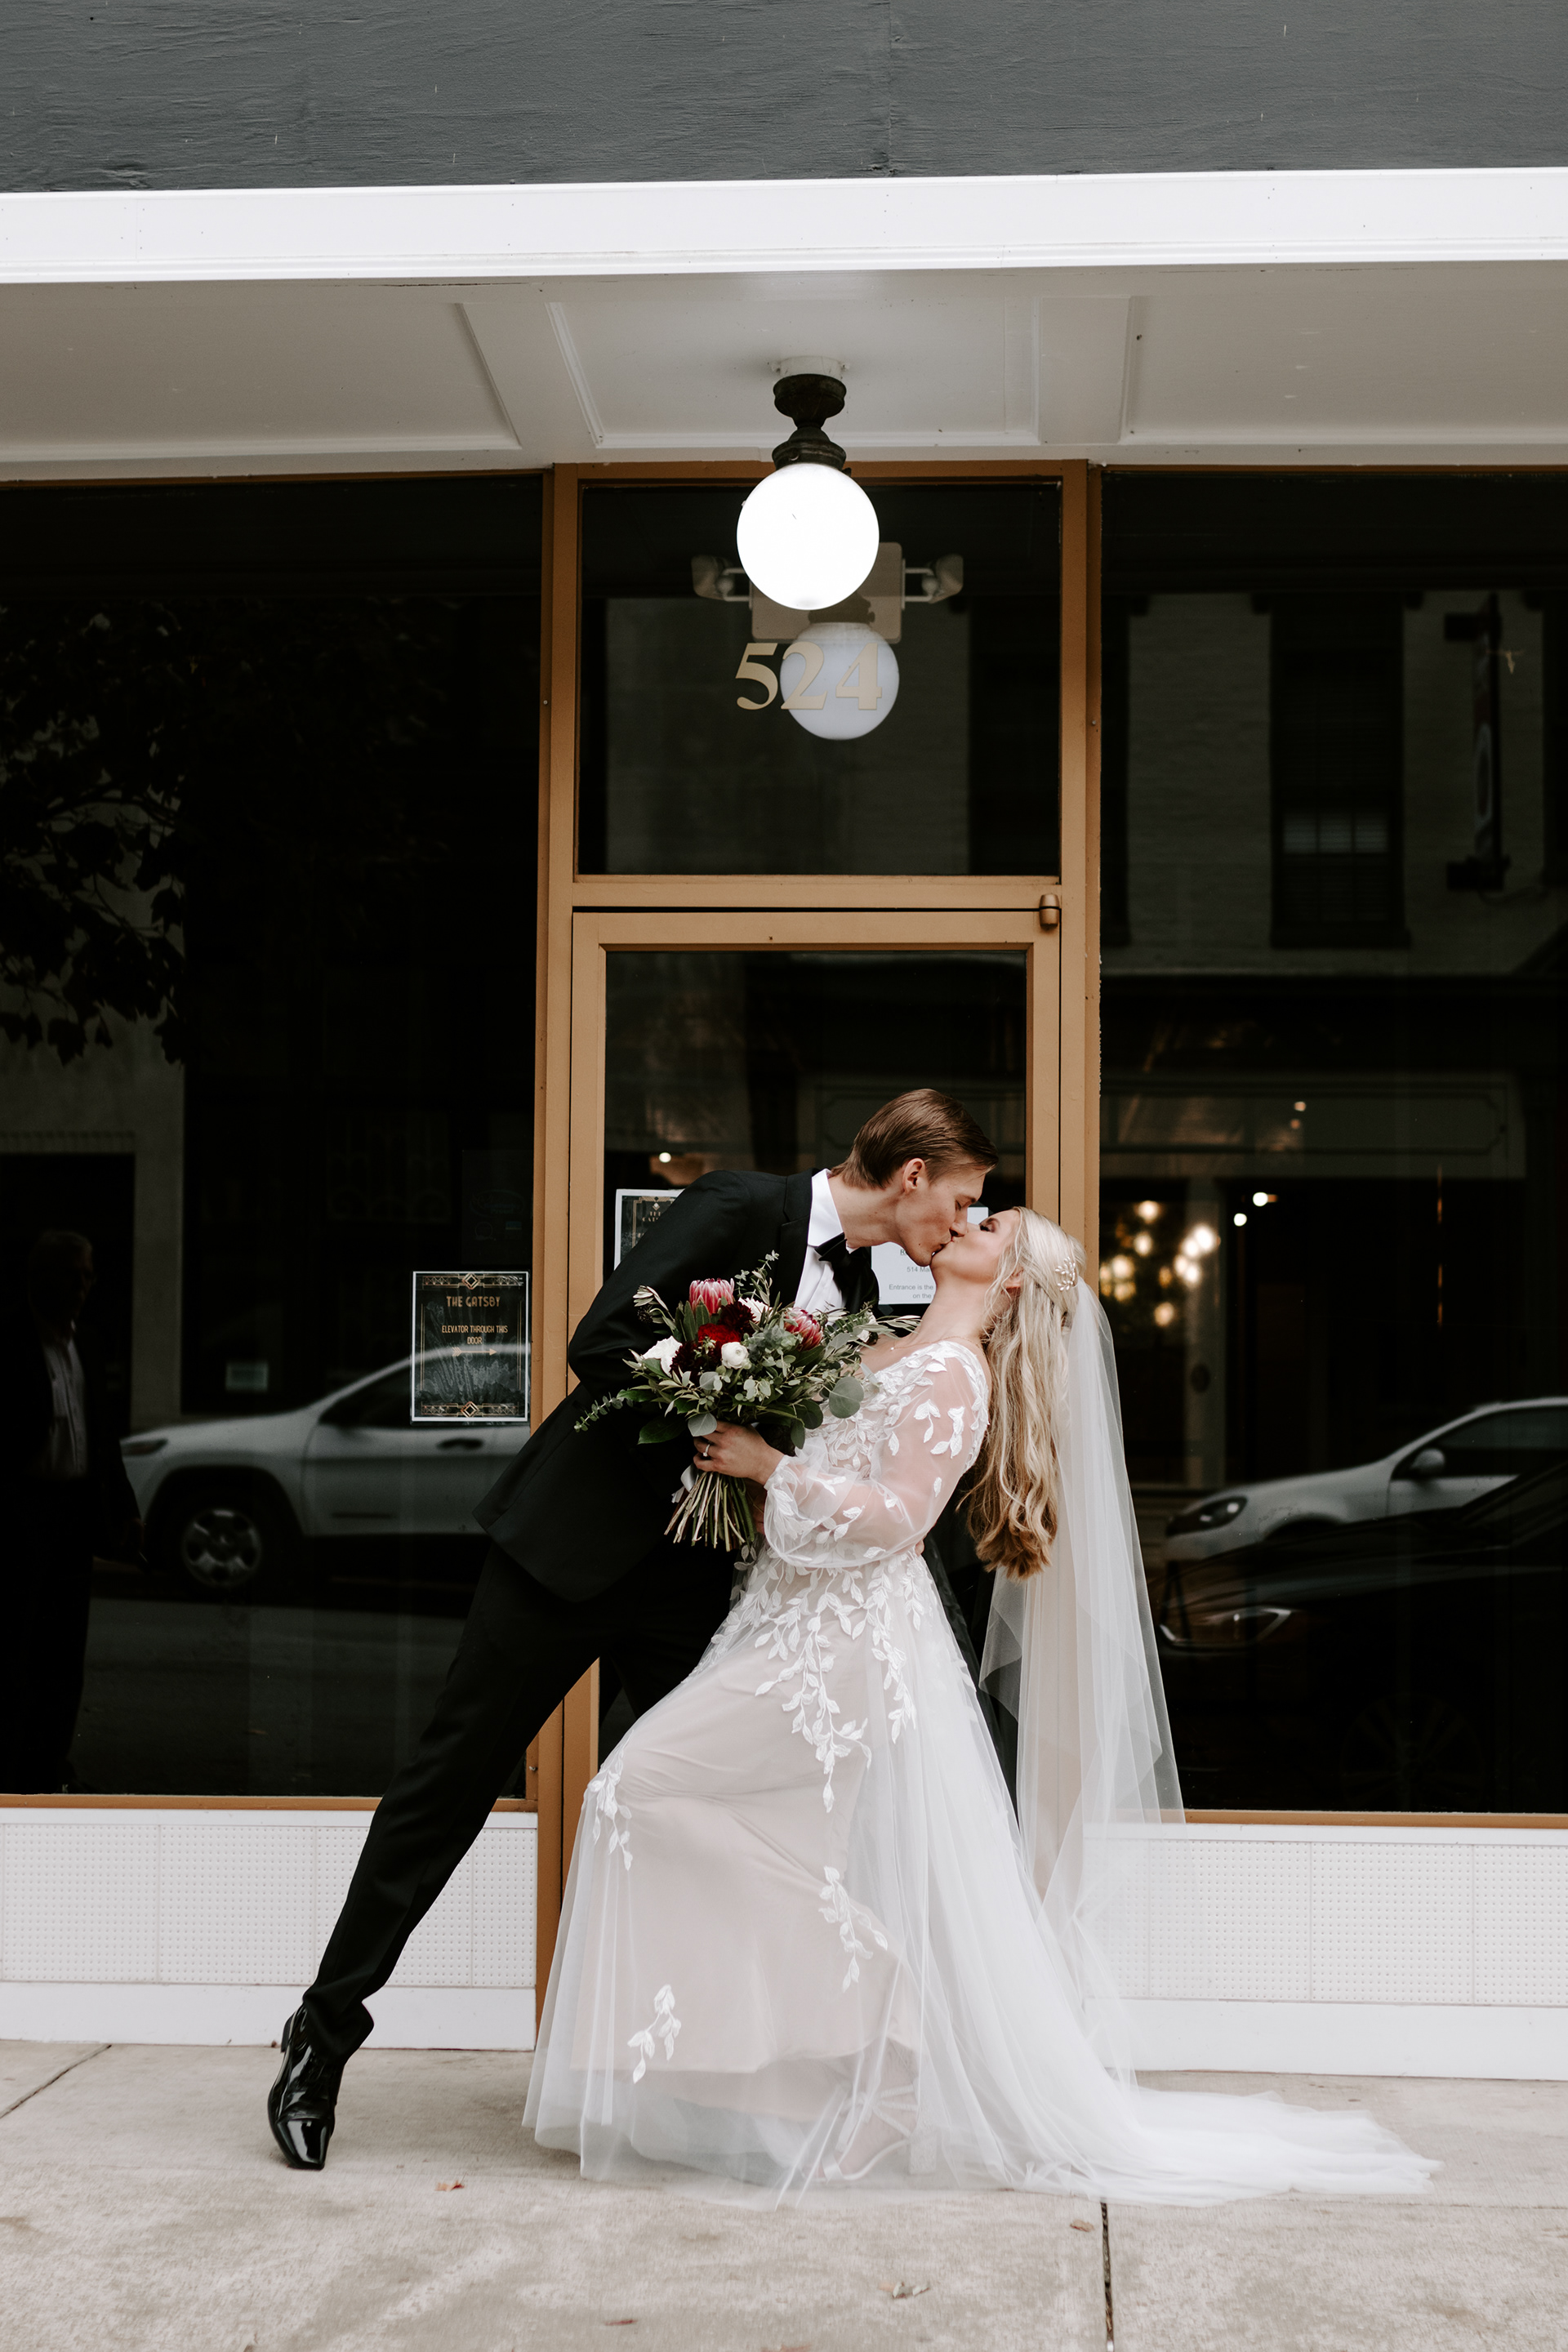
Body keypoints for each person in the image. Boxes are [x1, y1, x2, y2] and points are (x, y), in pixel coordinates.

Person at [526, 1207, 1434, 2203]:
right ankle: (819, 2070)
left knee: (635, 1787)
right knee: (746, 1833)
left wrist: (769, 1467)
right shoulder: (877, 1345)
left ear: (1010, 1282)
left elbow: (899, 1518)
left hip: (840, 1647)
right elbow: (847, 1484)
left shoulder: (955, 1373)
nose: (968, 1219)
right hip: (776, 1619)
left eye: (993, 1224)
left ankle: (894, 2016)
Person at [269, 1089, 998, 2168]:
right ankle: (322, 2037)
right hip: (566, 1552)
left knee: (705, 1811)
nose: (962, 1220)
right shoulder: (738, 1205)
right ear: (912, 1176)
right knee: (446, 1786)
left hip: (693, 1585)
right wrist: (726, 1402)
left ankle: (697, 2081)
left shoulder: (853, 1290)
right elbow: (603, 1339)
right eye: (964, 1199)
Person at [0, 1230, 140, 1795]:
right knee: (18, 1648)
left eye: (88, 1276)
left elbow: (103, 1437)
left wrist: (124, 1507)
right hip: (21, 1514)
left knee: (64, 1654)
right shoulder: (10, 1343)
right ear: (40, 1279)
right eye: (71, 1275)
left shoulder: (90, 1346)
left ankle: (49, 1765)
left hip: (73, 1517)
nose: (83, 1287)